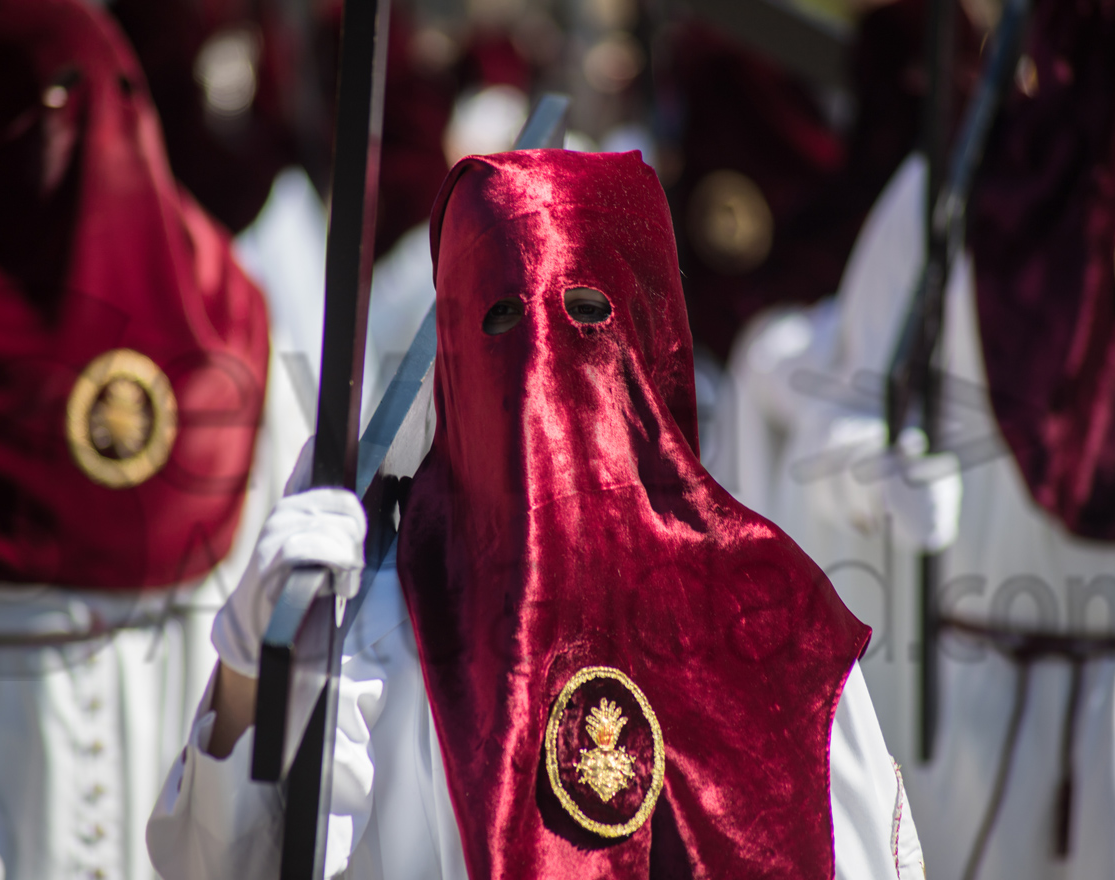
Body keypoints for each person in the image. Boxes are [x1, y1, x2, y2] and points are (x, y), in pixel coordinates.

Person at [148, 149, 923, 879]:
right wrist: (254, 668)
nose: (538, 377)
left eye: (586, 313)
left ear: (649, 335)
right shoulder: (376, 614)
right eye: (501, 320)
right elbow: (217, 863)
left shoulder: (774, 619)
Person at [734, 0, 1115, 876]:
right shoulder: (953, 193)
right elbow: (848, 406)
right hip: (989, 735)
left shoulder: (953, 186)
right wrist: (869, 470)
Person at [0, 0, 311, 876]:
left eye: (89, 98)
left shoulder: (240, 322)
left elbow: (281, 613)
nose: (64, 138)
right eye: (32, 107)